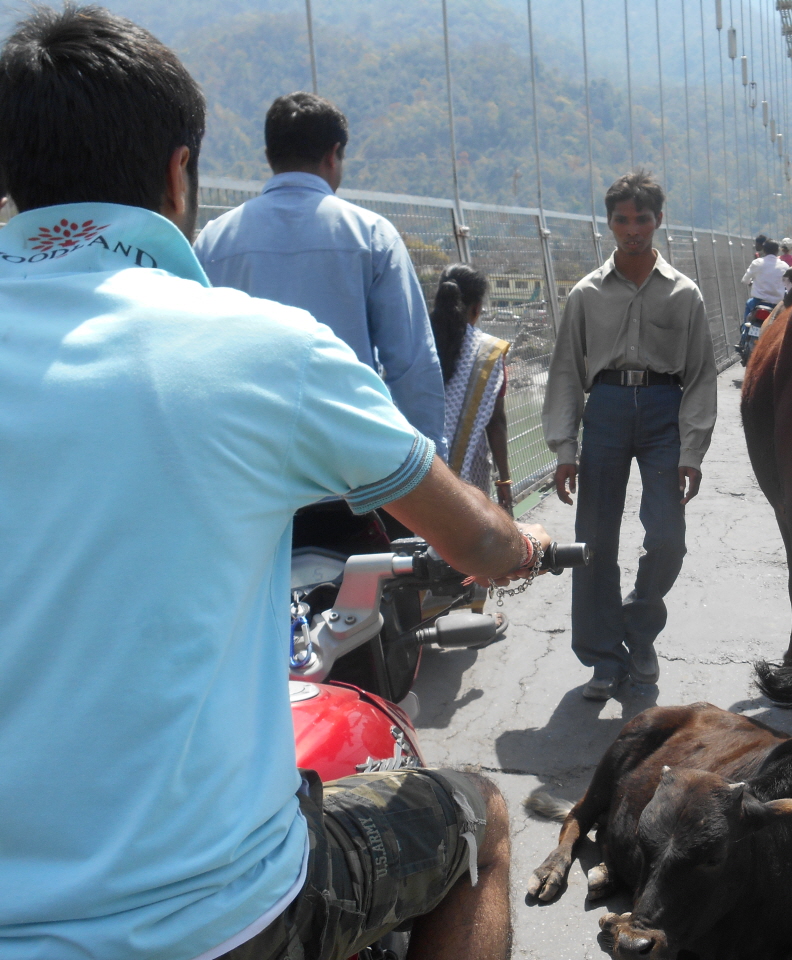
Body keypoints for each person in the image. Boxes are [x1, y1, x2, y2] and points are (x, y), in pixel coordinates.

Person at [0, 8, 548, 959]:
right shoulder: (272, 335)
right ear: (178, 170)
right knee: (479, 820)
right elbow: (457, 490)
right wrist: (519, 546)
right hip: (217, 911)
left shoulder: (222, 240)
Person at [542, 171, 717, 701]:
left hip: (665, 407)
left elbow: (703, 376)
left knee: (668, 537)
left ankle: (639, 630)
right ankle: (600, 655)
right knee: (594, 539)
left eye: (642, 218)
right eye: (622, 219)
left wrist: (693, 449)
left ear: (659, 221)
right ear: (610, 223)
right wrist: (565, 449)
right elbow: (568, 372)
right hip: (608, 408)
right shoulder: (586, 294)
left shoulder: (685, 295)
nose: (632, 228)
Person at [194, 92, 448, 457]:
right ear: (334, 153)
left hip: (248, 463)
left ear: (269, 157)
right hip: (350, 468)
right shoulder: (372, 235)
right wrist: (431, 461)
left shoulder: (214, 240)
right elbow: (410, 363)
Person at [432, 264, 514, 514]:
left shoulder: (418, 342)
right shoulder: (486, 352)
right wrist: (504, 481)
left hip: (418, 468)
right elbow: (495, 422)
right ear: (477, 308)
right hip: (468, 472)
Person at [742, 238, 788, 319]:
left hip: (757, 303)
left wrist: (750, 282)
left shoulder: (757, 263)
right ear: (777, 251)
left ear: (764, 250)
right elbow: (788, 285)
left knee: (748, 307)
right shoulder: (784, 266)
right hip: (777, 305)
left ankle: (745, 330)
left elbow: (745, 280)